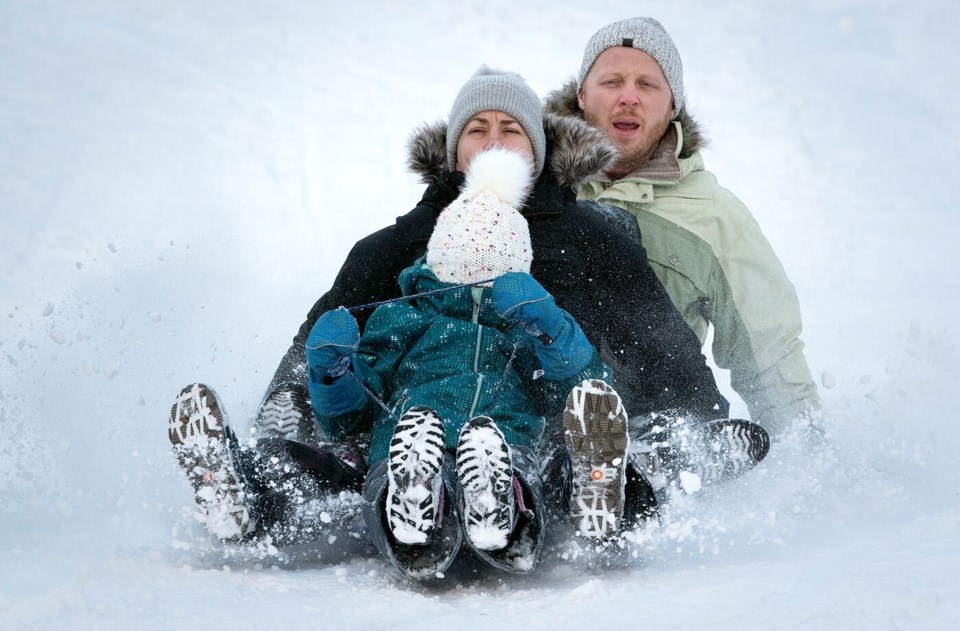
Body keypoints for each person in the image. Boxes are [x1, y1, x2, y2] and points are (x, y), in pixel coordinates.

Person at [167, 66, 767, 562]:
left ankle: (622, 487)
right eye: (478, 129)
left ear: (537, 147)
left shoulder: (592, 239)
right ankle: (253, 493)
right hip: (404, 425)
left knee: (605, 441)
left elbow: (658, 343)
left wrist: (696, 421)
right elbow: (318, 360)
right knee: (329, 464)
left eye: (512, 128)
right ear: (454, 149)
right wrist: (294, 408)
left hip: (548, 418)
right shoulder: (393, 250)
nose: (496, 140)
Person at [305, 147, 615, 578]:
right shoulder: (402, 317)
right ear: (435, 264)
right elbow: (351, 417)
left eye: (489, 270)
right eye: (461, 264)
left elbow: (577, 392)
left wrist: (550, 329)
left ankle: (496, 500)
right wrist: (333, 372)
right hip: (405, 441)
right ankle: (416, 499)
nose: (474, 278)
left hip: (506, 443)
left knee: (517, 468)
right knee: (385, 478)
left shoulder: (522, 325)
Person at [544, 17, 821, 436]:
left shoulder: (715, 218)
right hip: (533, 430)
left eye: (648, 85)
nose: (629, 98)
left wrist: (810, 461)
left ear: (673, 104)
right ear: (582, 95)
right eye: (612, 81)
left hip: (652, 429)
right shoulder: (530, 186)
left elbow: (769, 356)